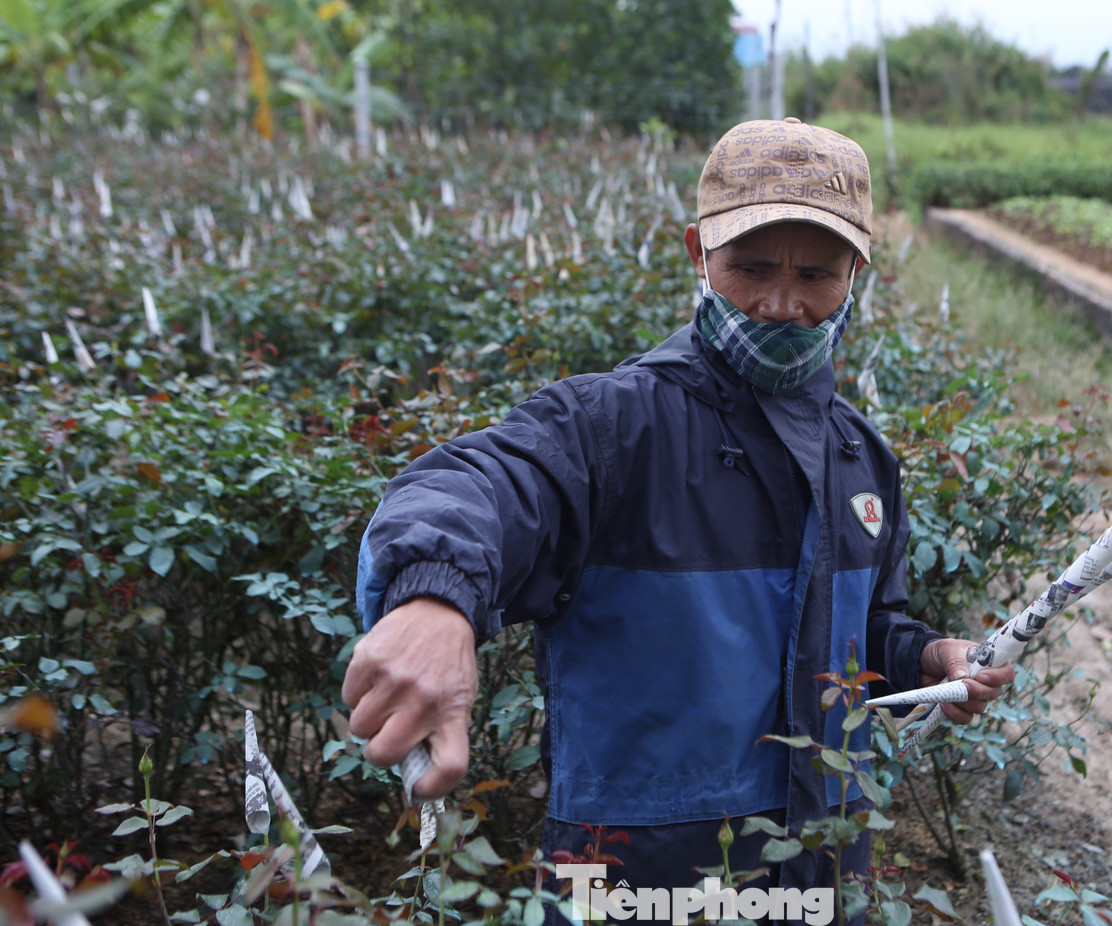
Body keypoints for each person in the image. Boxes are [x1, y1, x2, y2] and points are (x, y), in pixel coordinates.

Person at [343, 117, 1015, 908]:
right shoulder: (614, 426)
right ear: (699, 253)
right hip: (636, 877)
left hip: (820, 863)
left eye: (819, 275)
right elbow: (482, 480)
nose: (781, 304)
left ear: (858, 269)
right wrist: (433, 594)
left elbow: (860, 631)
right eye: (752, 268)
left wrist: (924, 656)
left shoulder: (859, 457)